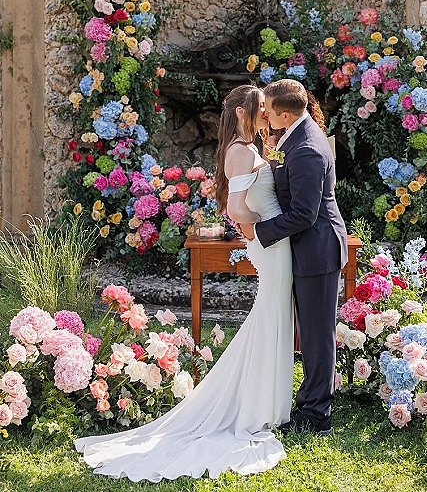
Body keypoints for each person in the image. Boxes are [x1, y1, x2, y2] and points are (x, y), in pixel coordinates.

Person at [75, 85, 294, 481]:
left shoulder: (248, 148)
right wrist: (256, 234)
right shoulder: (242, 152)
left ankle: (269, 403)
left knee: (273, 313)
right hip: (269, 243)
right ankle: (260, 407)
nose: (266, 112)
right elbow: (236, 208)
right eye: (260, 107)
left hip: (274, 242)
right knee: (270, 314)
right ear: (243, 113)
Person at [238, 78, 347, 436]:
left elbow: (304, 213)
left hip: (317, 250)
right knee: (311, 331)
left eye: (267, 111)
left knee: (317, 335)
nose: (263, 116)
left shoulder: (307, 149)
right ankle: (311, 402)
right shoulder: (293, 138)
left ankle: (318, 416)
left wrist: (259, 232)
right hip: (304, 248)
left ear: (285, 114)